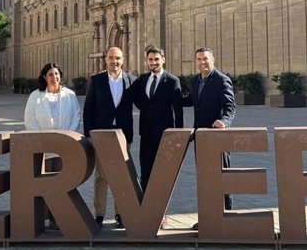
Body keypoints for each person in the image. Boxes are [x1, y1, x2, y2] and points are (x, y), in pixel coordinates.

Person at [83, 46, 136, 229]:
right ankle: (99, 214)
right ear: (106, 59)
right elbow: (88, 109)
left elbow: (145, 102)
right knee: (101, 176)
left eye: (118, 58)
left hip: (123, 135)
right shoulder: (96, 80)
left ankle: (121, 213)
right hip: (101, 134)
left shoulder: (131, 80)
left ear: (123, 60)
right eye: (112, 58)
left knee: (122, 176)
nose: (115, 61)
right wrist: (88, 134)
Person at [182, 47, 236, 229]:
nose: (202, 62)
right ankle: (208, 217)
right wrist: (167, 96)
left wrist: (224, 121)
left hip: (217, 137)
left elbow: (230, 107)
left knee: (222, 177)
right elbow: (191, 100)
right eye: (199, 59)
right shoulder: (196, 81)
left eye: (205, 59)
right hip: (201, 138)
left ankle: (226, 215)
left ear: (213, 60)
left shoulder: (221, 80)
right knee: (205, 178)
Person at [24, 62, 81, 230]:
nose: (54, 77)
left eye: (56, 74)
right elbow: (29, 119)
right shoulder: (36, 96)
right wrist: (43, 139)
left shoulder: (69, 95)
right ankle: (42, 219)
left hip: (64, 147)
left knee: (63, 184)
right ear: (44, 77)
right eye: (50, 74)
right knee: (45, 184)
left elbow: (77, 116)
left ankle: (59, 218)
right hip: (44, 148)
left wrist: (66, 138)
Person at [133, 46, 183, 228]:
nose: (153, 63)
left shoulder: (173, 81)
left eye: (156, 59)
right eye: (150, 60)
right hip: (146, 133)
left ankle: (162, 214)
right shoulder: (142, 79)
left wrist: (179, 135)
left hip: (165, 135)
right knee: (145, 173)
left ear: (163, 59)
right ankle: (147, 211)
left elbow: (178, 110)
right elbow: (139, 102)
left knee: (162, 175)